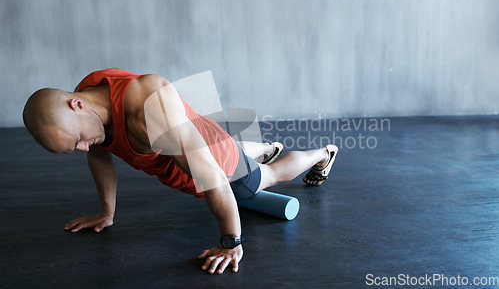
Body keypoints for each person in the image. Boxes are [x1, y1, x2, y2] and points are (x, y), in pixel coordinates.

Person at [22, 68, 338, 274]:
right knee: (238, 151)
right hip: (202, 138)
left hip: (219, 166)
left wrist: (231, 241)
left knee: (268, 177)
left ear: (75, 106)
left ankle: (322, 153)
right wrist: (107, 212)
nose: (82, 148)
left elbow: (212, 175)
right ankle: (265, 148)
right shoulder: (87, 96)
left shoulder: (148, 109)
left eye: (77, 140)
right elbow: (100, 154)